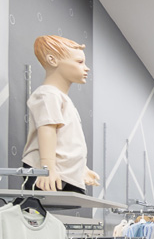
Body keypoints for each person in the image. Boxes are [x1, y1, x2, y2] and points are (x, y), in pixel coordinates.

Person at [21, 35, 99, 193]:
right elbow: (47, 130)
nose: (86, 68)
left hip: (65, 175)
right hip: (51, 175)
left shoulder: (62, 99)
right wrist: (47, 168)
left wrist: (82, 168)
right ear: (52, 60)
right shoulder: (48, 94)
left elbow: (67, 140)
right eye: (79, 62)